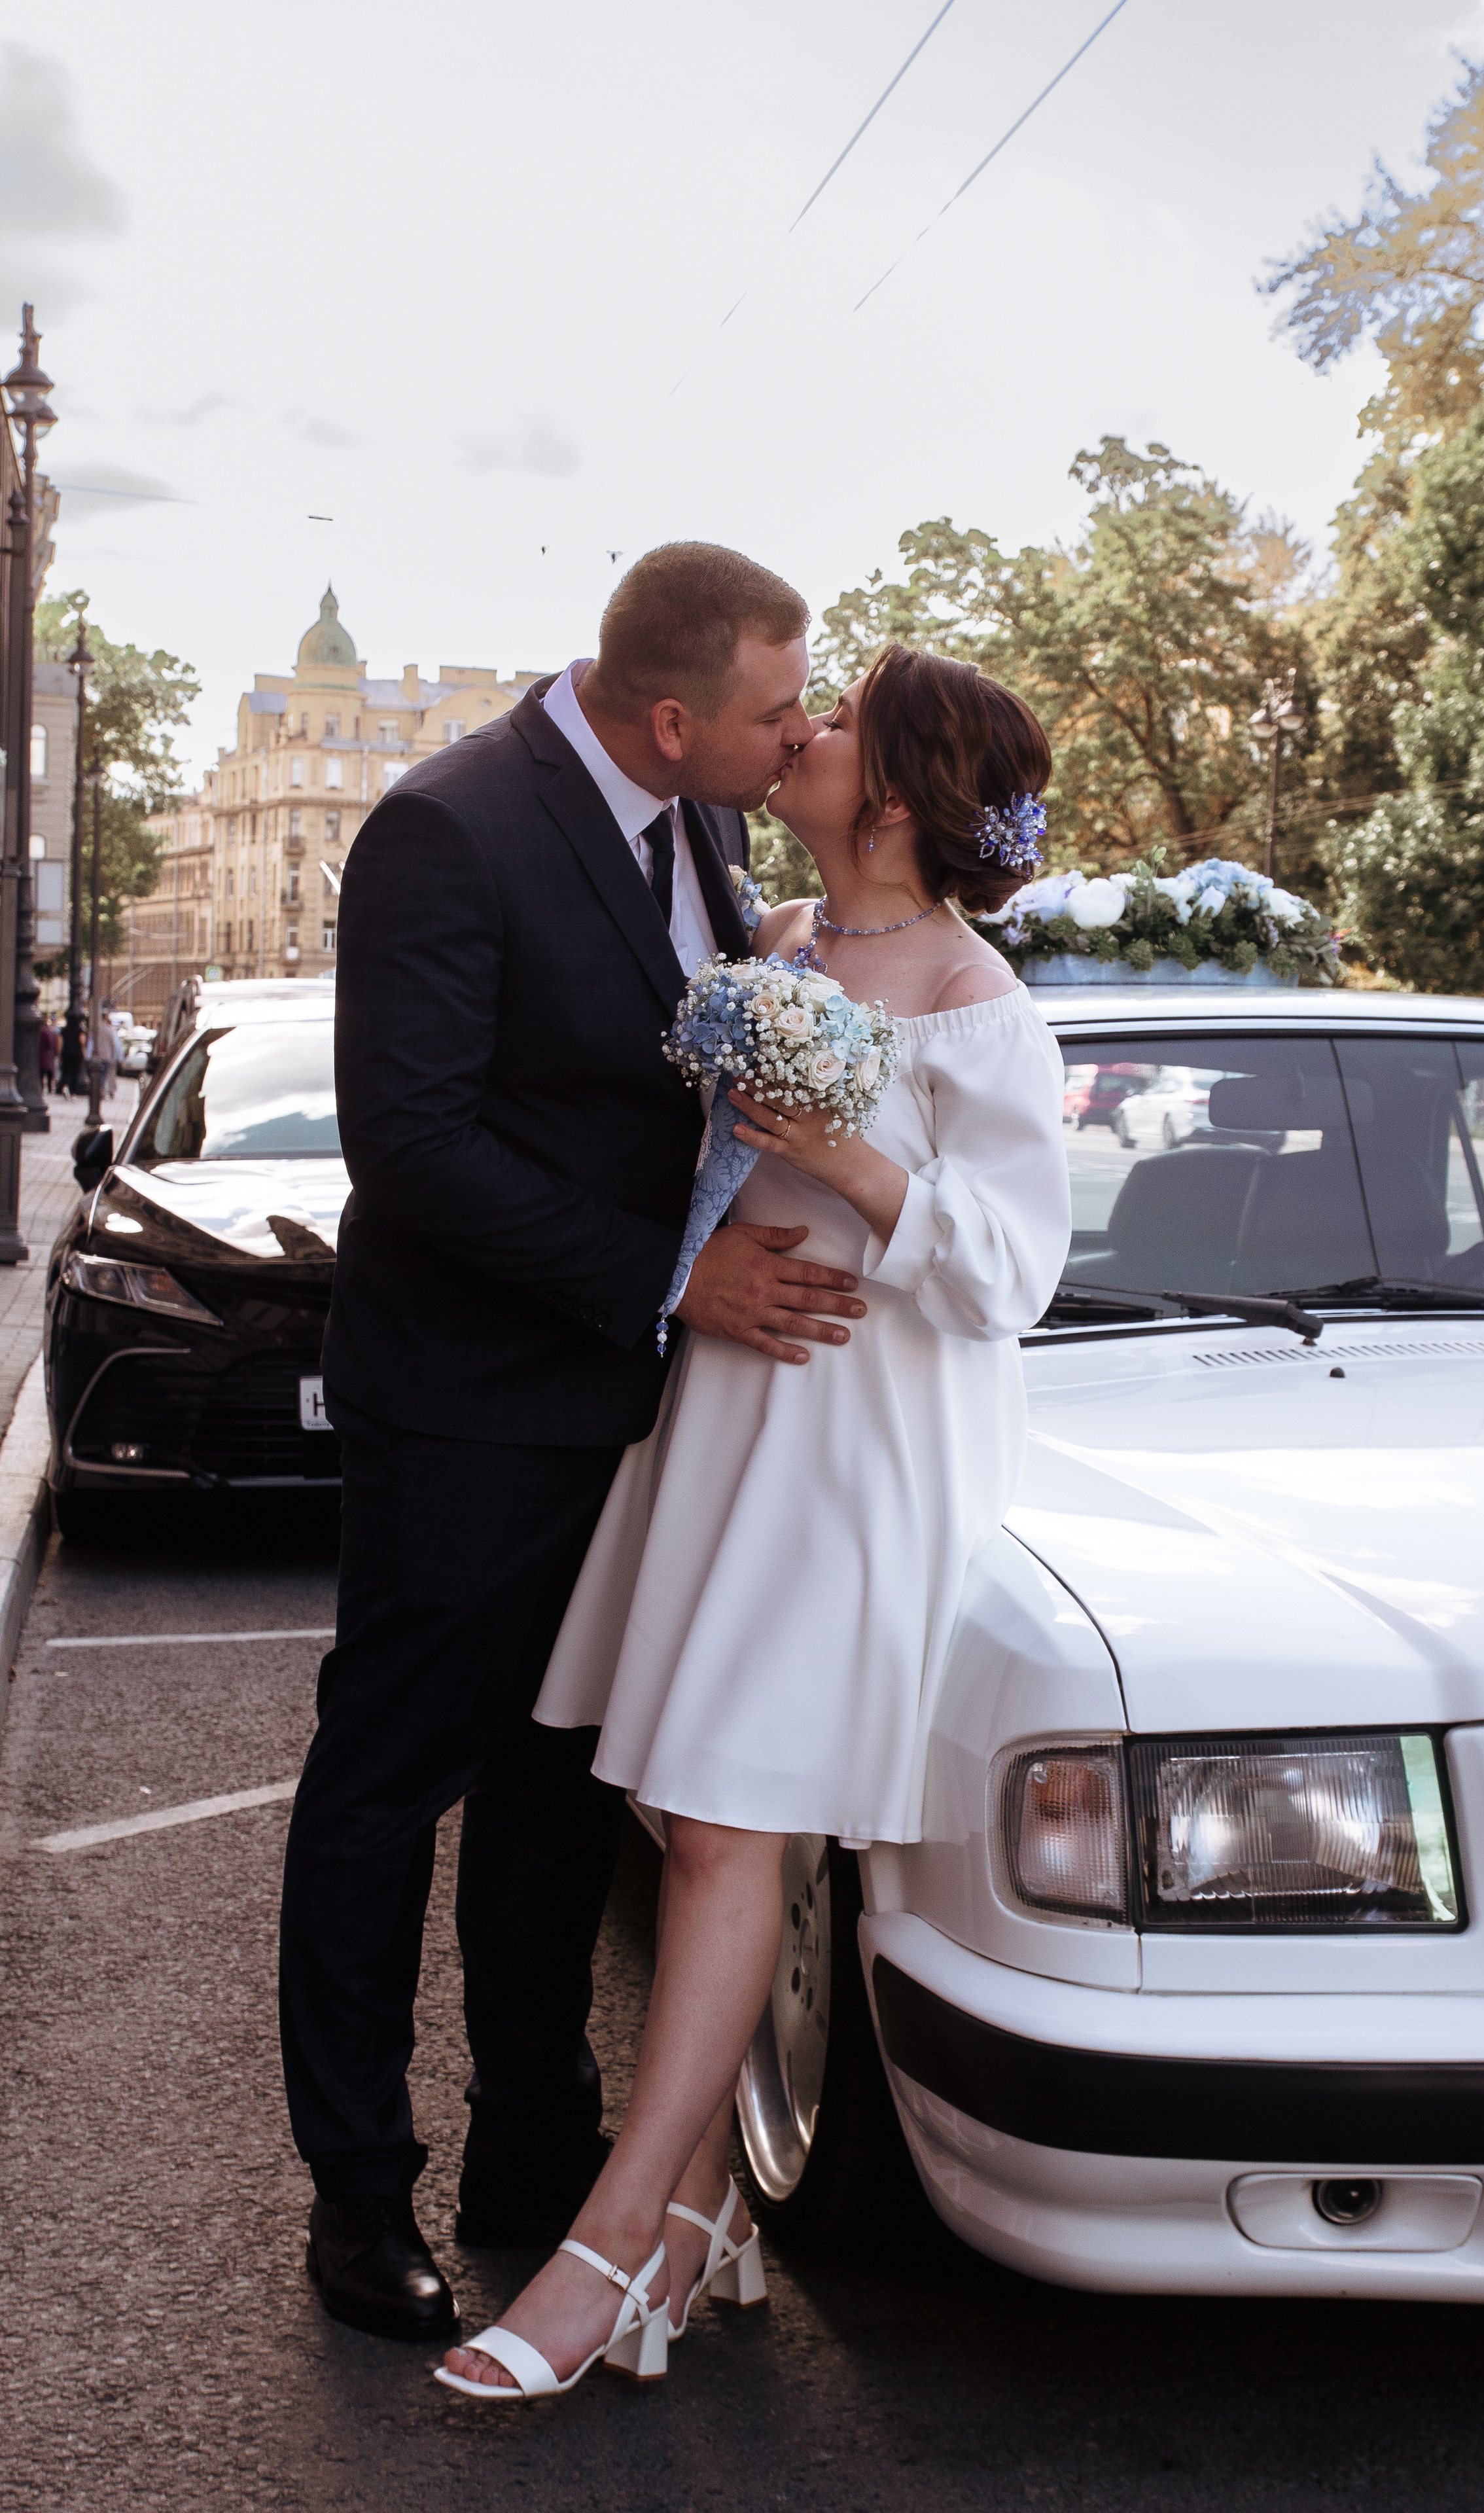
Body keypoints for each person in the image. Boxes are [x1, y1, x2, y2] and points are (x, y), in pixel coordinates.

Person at [438, 643, 1070, 2400]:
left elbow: (1013, 1274)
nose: (801, 735)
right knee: (680, 1798)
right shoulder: (772, 937)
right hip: (725, 1414)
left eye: (839, 720)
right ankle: (709, 2207)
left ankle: (613, 2238)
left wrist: (860, 1160)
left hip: (863, 1439)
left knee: (726, 1824)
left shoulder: (979, 997)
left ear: (895, 790)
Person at [279, 544, 871, 2345]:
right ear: (675, 715)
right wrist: (672, 1285)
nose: (801, 737)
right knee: (391, 1790)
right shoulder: (449, 827)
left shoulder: (701, 825)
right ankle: (360, 2202)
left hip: (625, 1409)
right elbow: (416, 1142)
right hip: (467, 1402)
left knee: (551, 1800)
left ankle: (531, 2158)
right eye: (780, 710)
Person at [37, 1017, 58, 1095]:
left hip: (40, 1055)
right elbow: (49, 1044)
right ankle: (49, 1088)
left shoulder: (39, 1032)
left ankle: (41, 1088)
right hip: (46, 1055)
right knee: (49, 1071)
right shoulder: (47, 1032)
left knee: (41, 1074)